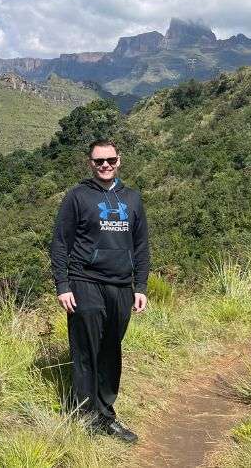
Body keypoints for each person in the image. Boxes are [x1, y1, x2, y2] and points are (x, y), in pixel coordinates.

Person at [49, 138, 150, 443]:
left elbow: (141, 245)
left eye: (110, 160)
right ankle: (85, 416)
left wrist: (140, 286)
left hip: (121, 287)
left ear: (119, 161)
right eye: (98, 161)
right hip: (85, 282)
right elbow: (61, 243)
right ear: (89, 163)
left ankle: (106, 415)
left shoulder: (132, 198)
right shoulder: (77, 197)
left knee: (110, 351)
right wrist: (63, 285)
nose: (105, 165)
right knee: (85, 351)